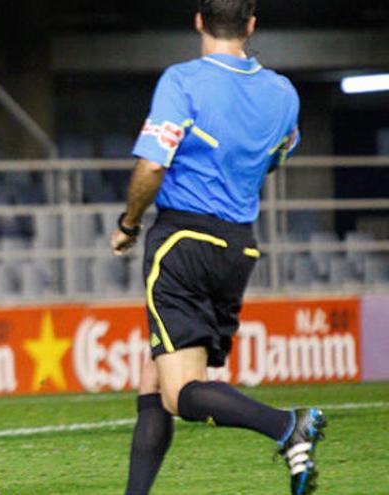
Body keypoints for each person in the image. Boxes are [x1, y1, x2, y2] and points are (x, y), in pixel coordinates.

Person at [111, 2, 326, 494]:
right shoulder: (282, 92)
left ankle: (285, 426)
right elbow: (277, 157)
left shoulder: (182, 81)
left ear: (199, 21)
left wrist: (128, 223)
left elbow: (152, 165)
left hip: (183, 240)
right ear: (250, 26)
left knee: (181, 393)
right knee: (155, 379)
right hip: (238, 247)